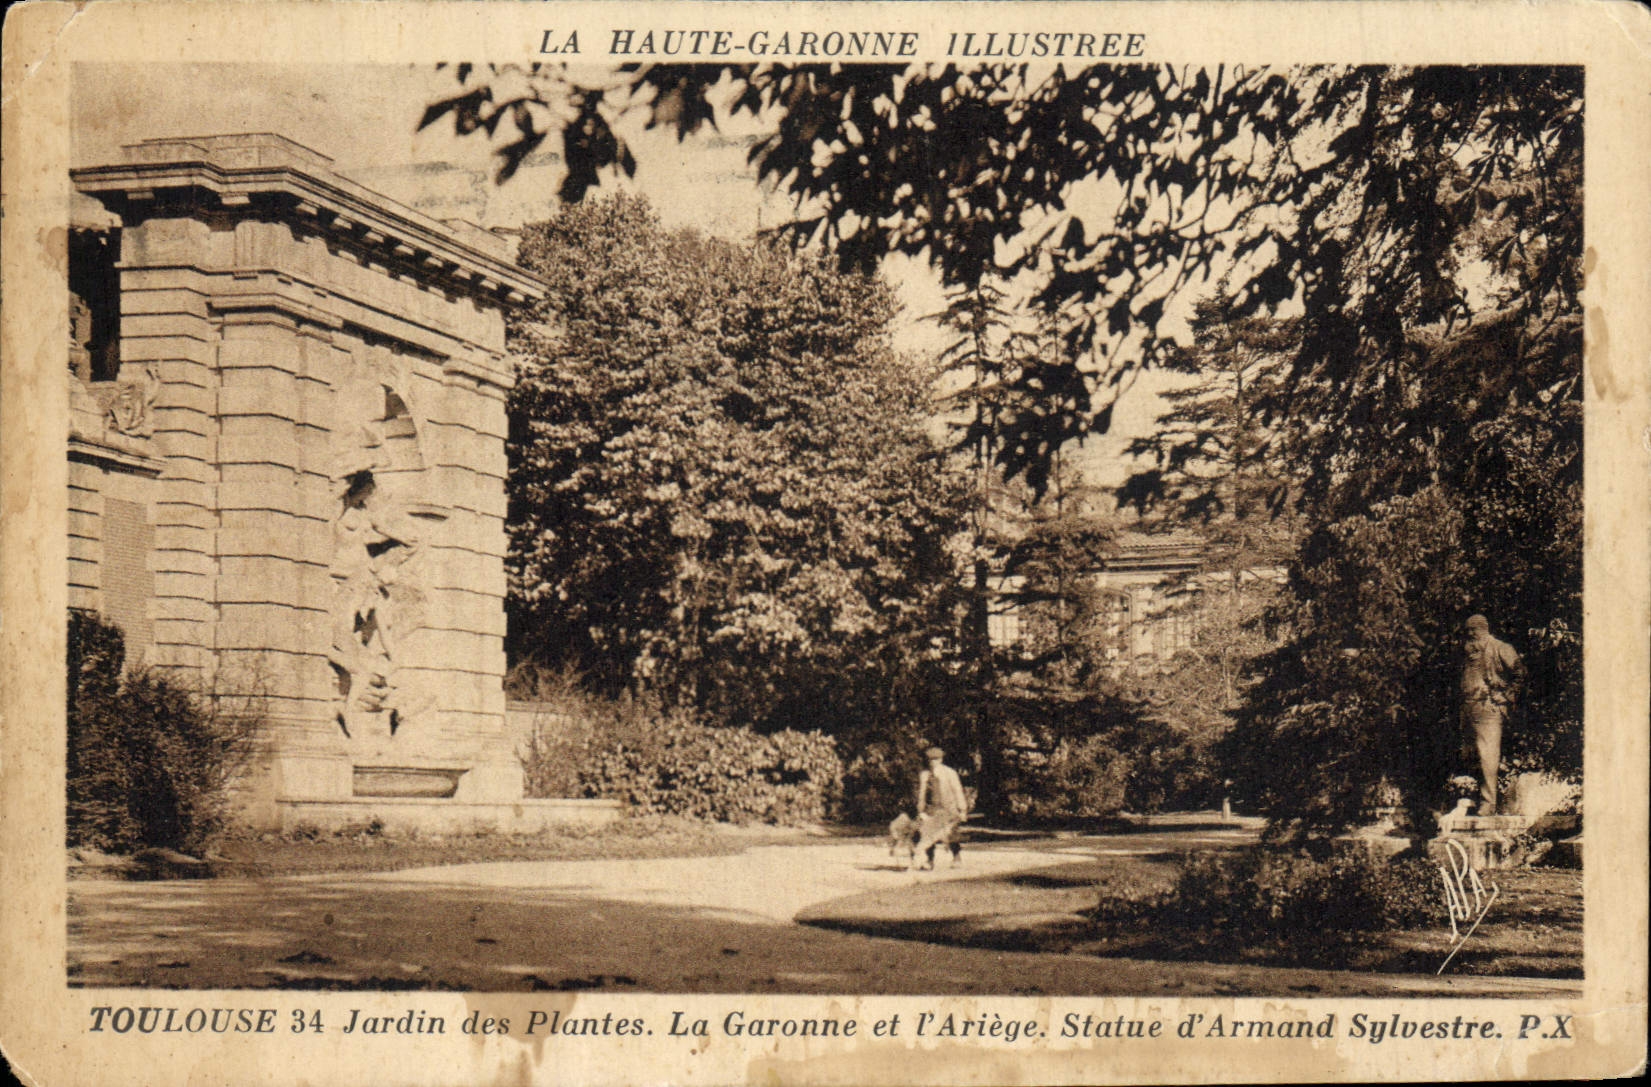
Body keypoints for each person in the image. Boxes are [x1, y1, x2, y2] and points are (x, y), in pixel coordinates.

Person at [1459, 614, 1524, 815]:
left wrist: (1506, 696)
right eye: (1468, 631)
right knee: (1471, 755)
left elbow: (1520, 673)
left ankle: (1489, 803)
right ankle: (1477, 799)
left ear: (1484, 629)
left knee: (1487, 755)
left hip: (1489, 708)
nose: (1471, 634)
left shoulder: (1500, 647)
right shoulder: (1468, 653)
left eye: (1474, 630)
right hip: (1469, 708)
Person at [915, 746, 969, 868]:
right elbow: (922, 794)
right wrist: (920, 810)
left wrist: (962, 809)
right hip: (931, 808)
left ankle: (956, 858)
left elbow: (957, 791)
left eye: (935, 759)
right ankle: (929, 860)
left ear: (941, 760)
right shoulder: (924, 774)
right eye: (930, 760)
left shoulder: (950, 773)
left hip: (948, 808)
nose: (932, 762)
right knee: (928, 833)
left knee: (950, 833)